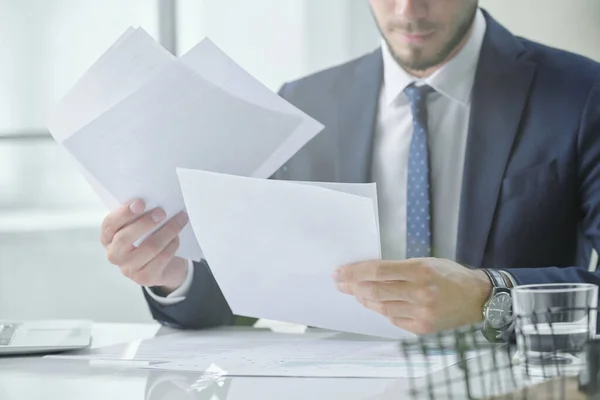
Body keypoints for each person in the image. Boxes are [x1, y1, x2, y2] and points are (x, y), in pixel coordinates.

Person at [100, 0, 600, 336]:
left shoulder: (581, 95)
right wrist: (173, 275)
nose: (409, 11)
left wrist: (489, 295)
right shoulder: (304, 101)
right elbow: (251, 288)